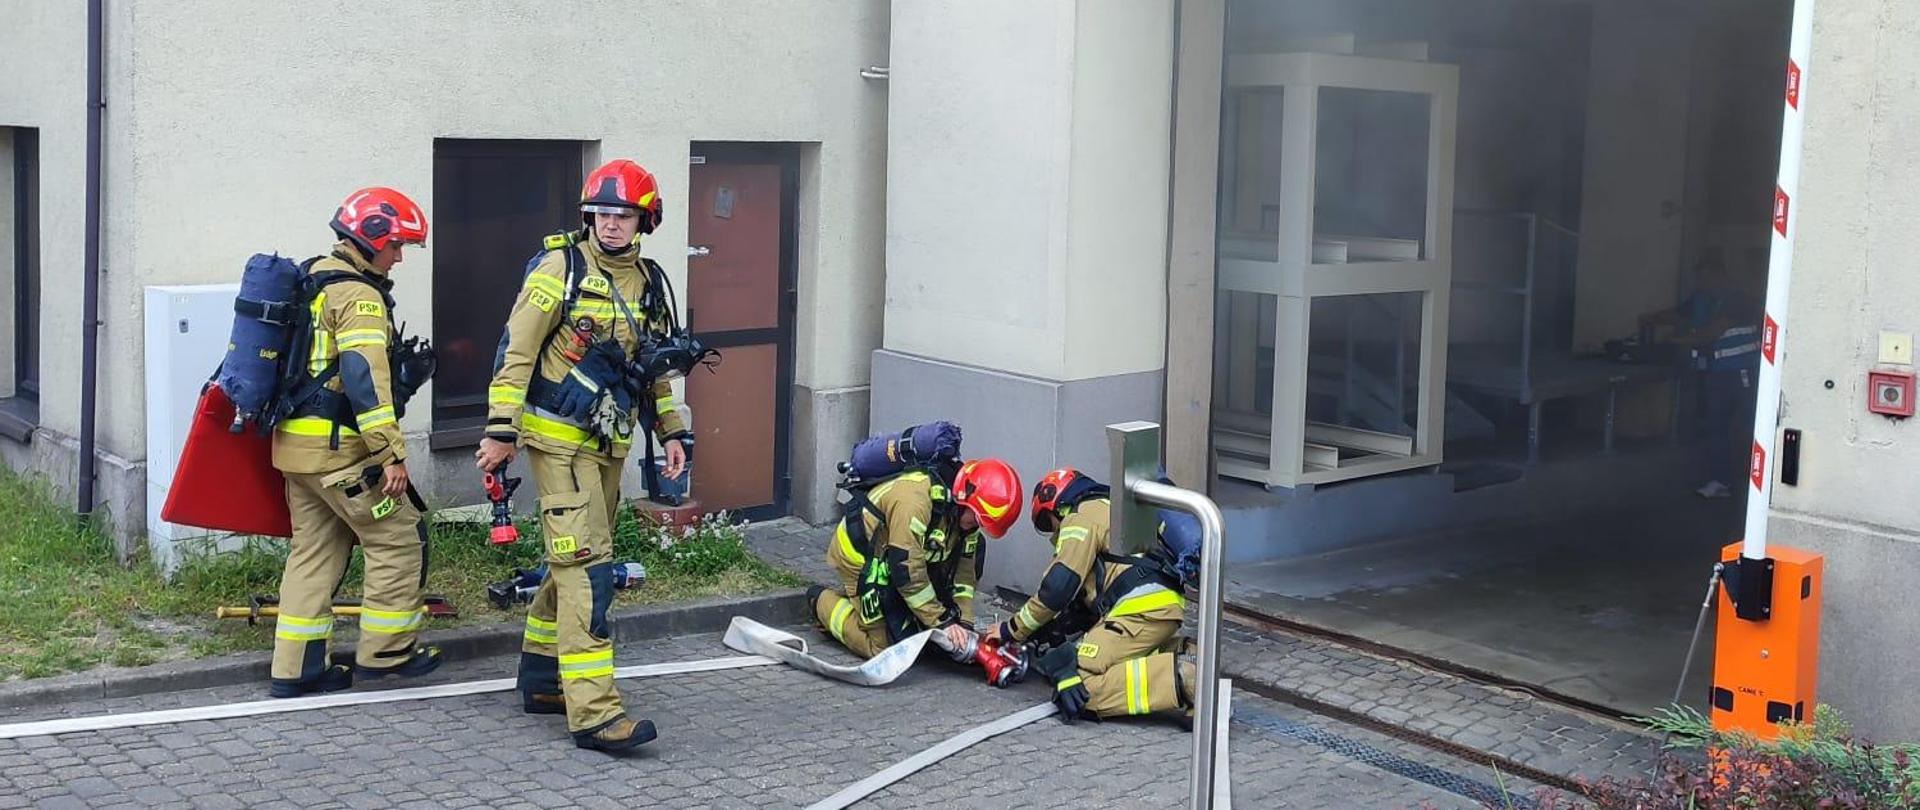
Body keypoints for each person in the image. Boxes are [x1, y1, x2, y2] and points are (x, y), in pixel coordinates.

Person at [474, 159, 691, 752]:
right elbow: (515, 350)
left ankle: (544, 677)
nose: (611, 224)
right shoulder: (560, 268)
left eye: (623, 214)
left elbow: (654, 368)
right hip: (557, 440)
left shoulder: (648, 283)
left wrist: (670, 431)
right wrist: (500, 431)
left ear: (646, 219)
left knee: (575, 561)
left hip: (610, 442)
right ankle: (595, 713)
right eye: (601, 213)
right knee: (587, 569)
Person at [268, 187, 440, 698]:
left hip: (295, 450)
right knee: (398, 540)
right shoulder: (360, 296)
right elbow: (364, 379)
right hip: (341, 454)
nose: (400, 257)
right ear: (371, 239)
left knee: (313, 552)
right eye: (397, 246)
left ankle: (295, 668)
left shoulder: (311, 278)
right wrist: (391, 454)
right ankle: (386, 657)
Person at [982, 468, 1195, 724]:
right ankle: (1188, 653)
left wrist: (1010, 630)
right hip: (1158, 606)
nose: (1052, 533)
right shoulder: (1110, 511)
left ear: (1055, 504)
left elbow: (1057, 588)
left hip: (1138, 610)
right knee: (1109, 657)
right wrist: (1047, 631)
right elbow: (1085, 602)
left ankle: (1185, 679)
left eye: (1046, 522)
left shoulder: (1079, 517)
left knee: (1079, 685)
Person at [809, 458, 1022, 661]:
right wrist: (942, 622)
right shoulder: (914, 502)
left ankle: (907, 613)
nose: (975, 526)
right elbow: (907, 571)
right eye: (976, 519)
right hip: (862, 559)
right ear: (965, 498)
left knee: (927, 637)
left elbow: (964, 575)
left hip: (898, 557)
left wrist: (963, 623)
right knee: (886, 650)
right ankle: (822, 602)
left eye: (982, 523)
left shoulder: (966, 516)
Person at [1641, 258, 1762, 498]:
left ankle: (1755, 485)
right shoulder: (1703, 298)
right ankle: (1722, 482)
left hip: (1741, 372)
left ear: (1721, 275)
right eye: (1699, 278)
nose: (1702, 283)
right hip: (1716, 372)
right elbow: (1678, 315)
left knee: (1750, 427)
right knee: (1716, 426)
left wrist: (1675, 341)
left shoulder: (1737, 300)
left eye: (1707, 277)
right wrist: (1652, 318)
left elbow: (1711, 332)